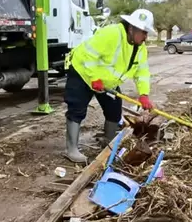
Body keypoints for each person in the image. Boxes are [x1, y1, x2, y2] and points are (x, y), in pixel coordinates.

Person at [63, 9, 155, 163]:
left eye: (147, 32)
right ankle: (71, 149)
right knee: (77, 109)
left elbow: (142, 72)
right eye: (143, 32)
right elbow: (88, 55)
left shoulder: (140, 48)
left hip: (106, 82)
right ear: (131, 28)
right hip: (83, 73)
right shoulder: (111, 34)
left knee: (114, 109)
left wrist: (144, 94)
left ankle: (109, 142)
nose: (145, 37)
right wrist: (94, 78)